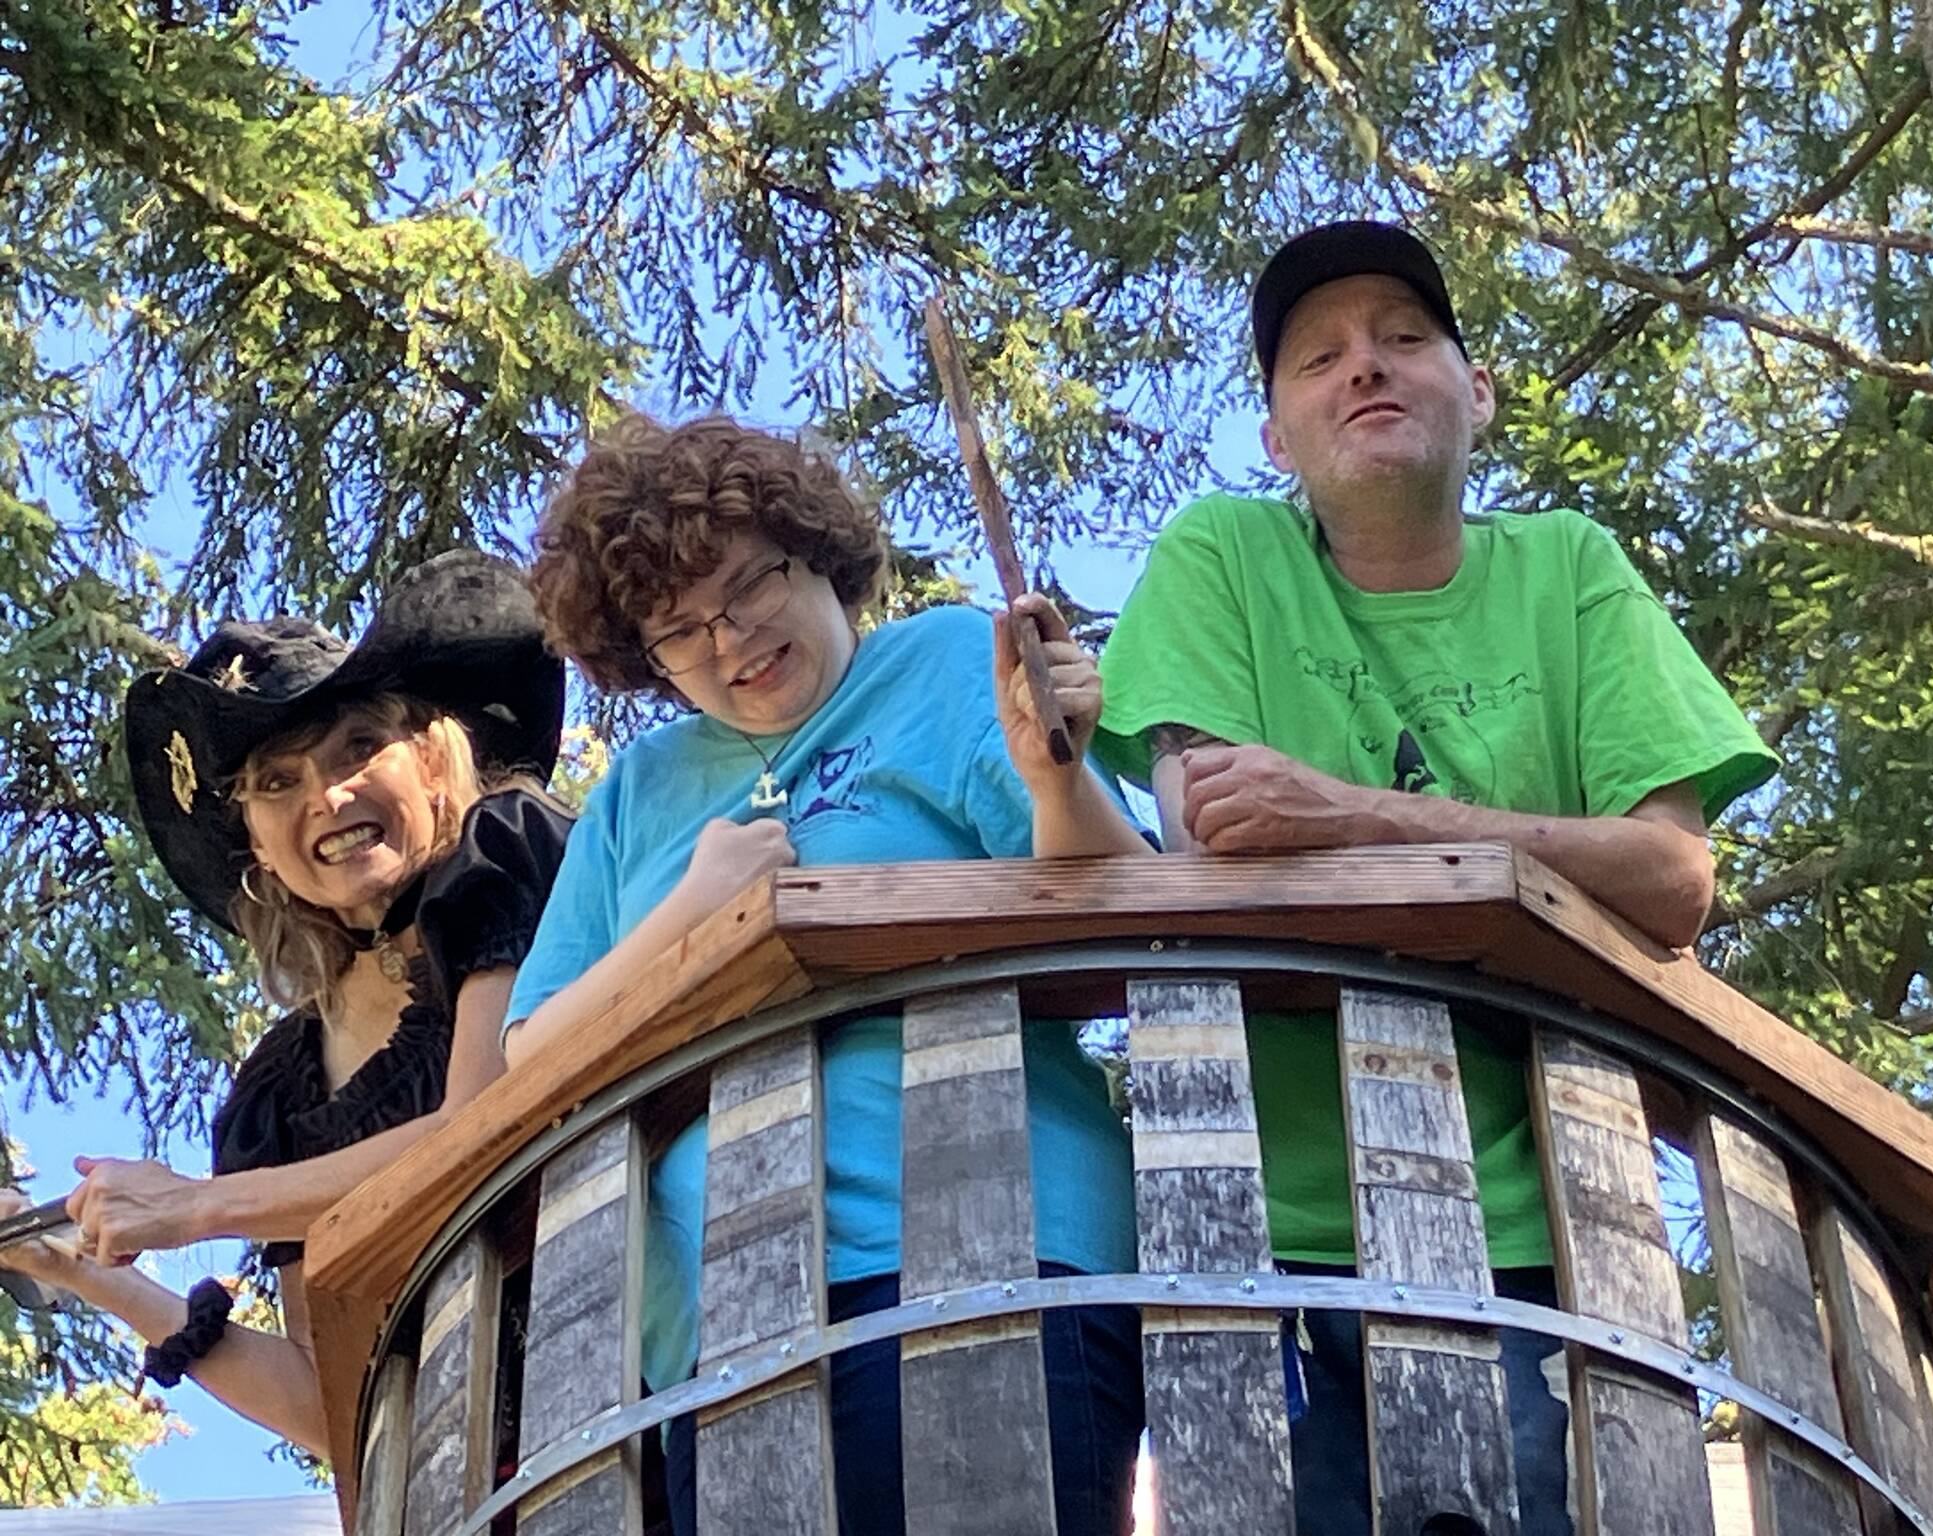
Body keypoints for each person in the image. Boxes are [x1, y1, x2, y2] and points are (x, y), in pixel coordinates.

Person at [1094, 221, 1778, 1532]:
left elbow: (1671, 874)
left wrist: (1346, 811)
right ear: (1277, 436)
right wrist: (1509, 852)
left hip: (1542, 1223)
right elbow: (1221, 826)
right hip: (1252, 1218)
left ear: (1479, 393)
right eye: (1321, 358)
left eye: (1407, 340)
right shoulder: (1225, 553)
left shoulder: (1568, 568)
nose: (1368, 368)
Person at [504, 413, 1153, 1536]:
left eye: (749, 585)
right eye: (677, 631)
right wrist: (694, 917)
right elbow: (530, 1053)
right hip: (727, 1311)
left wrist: (1054, 782)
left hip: (999, 1238)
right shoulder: (639, 793)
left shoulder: (944, 662)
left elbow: (1130, 905)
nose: (728, 641)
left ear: (817, 553)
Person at [0, 550, 570, 1461]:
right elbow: (329, 1402)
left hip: (627, 1393)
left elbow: (481, 1136)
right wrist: (89, 1275)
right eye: (277, 782)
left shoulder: (502, 856)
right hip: (459, 1494)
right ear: (253, 844)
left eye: (356, 748)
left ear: (429, 760)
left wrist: (200, 1206)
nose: (328, 794)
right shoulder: (277, 1092)